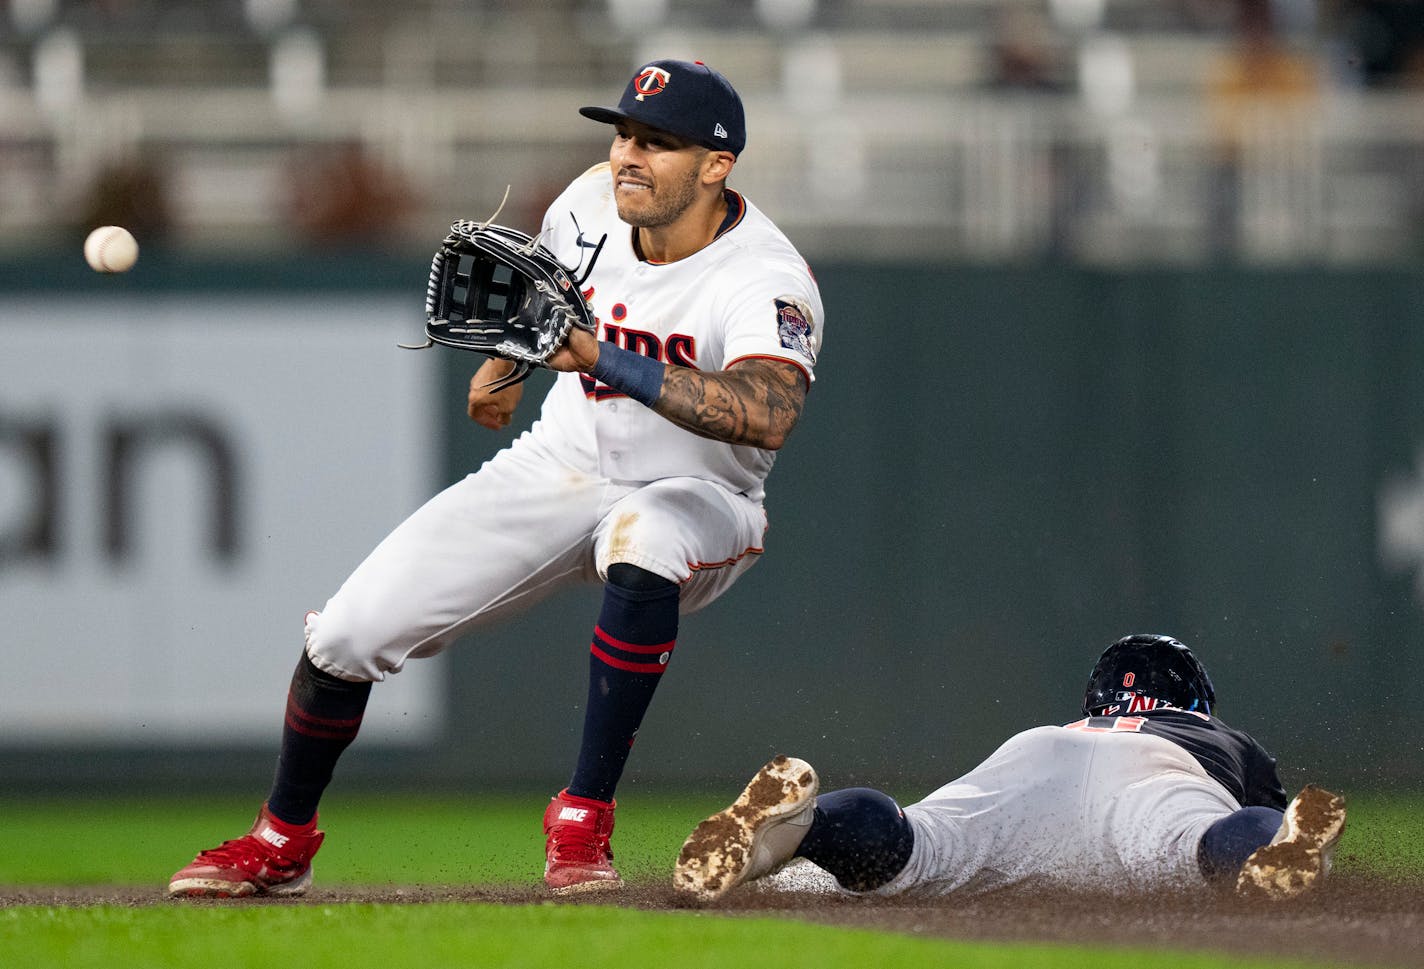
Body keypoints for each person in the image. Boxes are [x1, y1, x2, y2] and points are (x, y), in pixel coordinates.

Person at [168, 59, 824, 898]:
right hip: (564, 462)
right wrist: (504, 371)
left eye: (659, 143)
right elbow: (540, 303)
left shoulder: (765, 276)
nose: (629, 153)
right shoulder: (587, 202)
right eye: (624, 131)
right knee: (344, 635)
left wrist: (596, 357)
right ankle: (280, 839)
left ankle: (583, 815)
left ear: (716, 165)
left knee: (646, 537)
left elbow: (766, 411)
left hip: (705, 498)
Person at [674, 635, 1346, 902]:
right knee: (1200, 842)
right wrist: (1282, 831)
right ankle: (1277, 850)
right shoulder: (1215, 734)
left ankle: (805, 828)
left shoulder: (1080, 724)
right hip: (1156, 777)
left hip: (1036, 755)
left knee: (917, 845)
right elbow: (1255, 801)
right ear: (1197, 699)